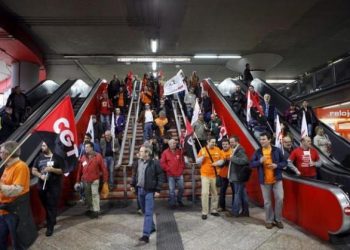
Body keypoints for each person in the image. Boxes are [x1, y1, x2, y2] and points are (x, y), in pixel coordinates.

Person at [0, 141, 37, 249]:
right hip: (3, 210)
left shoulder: (20, 166)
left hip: (13, 212)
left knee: (18, 241)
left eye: (1, 152)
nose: (0, 154)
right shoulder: (8, 166)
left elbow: (17, 190)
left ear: (9, 153)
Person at [250, 132, 287, 229]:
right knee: (267, 202)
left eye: (264, 139)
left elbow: (284, 162)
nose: (261, 141)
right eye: (260, 139)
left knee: (280, 199)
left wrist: (277, 165)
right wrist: (259, 161)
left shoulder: (277, 150)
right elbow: (251, 164)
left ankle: (278, 219)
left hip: (277, 179)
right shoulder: (258, 152)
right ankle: (269, 220)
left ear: (269, 140)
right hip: (264, 181)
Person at [131, 146, 164, 244]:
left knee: (148, 212)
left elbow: (161, 176)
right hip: (140, 190)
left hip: (149, 191)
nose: (139, 153)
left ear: (147, 153)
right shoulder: (138, 162)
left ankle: (146, 235)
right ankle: (152, 227)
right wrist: (132, 184)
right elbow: (135, 174)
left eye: (141, 151)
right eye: (139, 151)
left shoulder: (155, 163)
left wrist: (158, 189)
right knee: (145, 211)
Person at [32, 142, 64, 236]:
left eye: (44, 145)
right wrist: (40, 175)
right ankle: (52, 219)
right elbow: (33, 170)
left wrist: (52, 170)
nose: (42, 147)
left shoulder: (57, 157)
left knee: (51, 206)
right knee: (46, 205)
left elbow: (62, 170)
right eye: (41, 145)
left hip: (54, 186)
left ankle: (50, 227)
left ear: (49, 146)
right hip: (41, 186)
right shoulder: (39, 157)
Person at [75, 141, 108, 219]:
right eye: (85, 147)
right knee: (88, 196)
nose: (85, 148)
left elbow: (103, 169)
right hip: (85, 181)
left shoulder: (98, 156)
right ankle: (91, 208)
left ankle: (96, 210)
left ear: (92, 148)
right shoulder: (83, 157)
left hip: (95, 179)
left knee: (95, 194)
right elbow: (79, 170)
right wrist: (77, 181)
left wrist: (105, 180)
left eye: (87, 147)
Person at [196, 136, 225, 220]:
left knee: (215, 193)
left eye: (214, 142)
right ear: (208, 142)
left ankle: (214, 210)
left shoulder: (217, 149)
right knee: (205, 193)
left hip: (214, 175)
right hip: (205, 175)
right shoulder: (203, 150)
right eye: (212, 142)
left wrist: (217, 163)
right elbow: (197, 161)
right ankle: (204, 212)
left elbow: (223, 159)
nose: (214, 143)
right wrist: (202, 157)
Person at [227, 136, 250, 217]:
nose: (230, 144)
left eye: (232, 142)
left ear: (237, 141)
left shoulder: (240, 150)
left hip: (238, 176)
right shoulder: (236, 149)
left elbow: (245, 160)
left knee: (237, 194)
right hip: (238, 176)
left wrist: (232, 158)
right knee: (243, 195)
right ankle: (245, 211)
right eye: (230, 142)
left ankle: (235, 212)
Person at [160, 139, 186, 208]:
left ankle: (179, 200)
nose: (173, 144)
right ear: (169, 144)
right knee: (172, 190)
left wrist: (181, 168)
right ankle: (172, 203)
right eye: (171, 143)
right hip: (170, 175)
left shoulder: (179, 152)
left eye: (174, 143)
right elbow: (162, 163)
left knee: (181, 188)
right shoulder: (165, 152)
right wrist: (168, 169)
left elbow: (182, 161)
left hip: (179, 174)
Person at [217, 138, 233, 212]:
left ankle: (234, 206)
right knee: (222, 191)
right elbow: (220, 164)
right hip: (223, 175)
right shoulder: (220, 152)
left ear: (229, 144)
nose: (225, 145)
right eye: (223, 144)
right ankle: (222, 206)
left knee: (234, 191)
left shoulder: (233, 151)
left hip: (232, 174)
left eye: (226, 144)